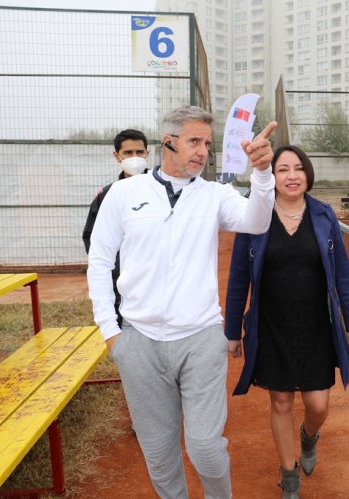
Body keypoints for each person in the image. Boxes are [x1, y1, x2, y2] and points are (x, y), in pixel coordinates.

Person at [87, 105, 278, 499]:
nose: (203, 151)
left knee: (206, 449)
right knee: (159, 453)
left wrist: (262, 174)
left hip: (201, 338)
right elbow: (100, 261)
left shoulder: (214, 195)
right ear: (168, 142)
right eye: (194, 141)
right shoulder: (124, 194)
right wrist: (111, 332)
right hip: (138, 342)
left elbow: (256, 222)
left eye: (207, 144)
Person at [225, 144, 349, 499]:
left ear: (308, 174)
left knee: (318, 404)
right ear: (270, 177)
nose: (292, 175)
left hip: (317, 324)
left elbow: (343, 276)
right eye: (283, 169)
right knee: (281, 402)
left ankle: (308, 437)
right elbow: (239, 276)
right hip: (271, 324)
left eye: (298, 168)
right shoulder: (254, 216)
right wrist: (233, 331)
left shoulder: (323, 215)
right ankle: (288, 475)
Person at [82, 128, 150, 327]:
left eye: (140, 152)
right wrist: (116, 272)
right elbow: (92, 239)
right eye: (128, 153)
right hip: (122, 283)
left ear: (148, 153)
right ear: (117, 156)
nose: (135, 157)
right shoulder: (107, 195)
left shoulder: (163, 190)